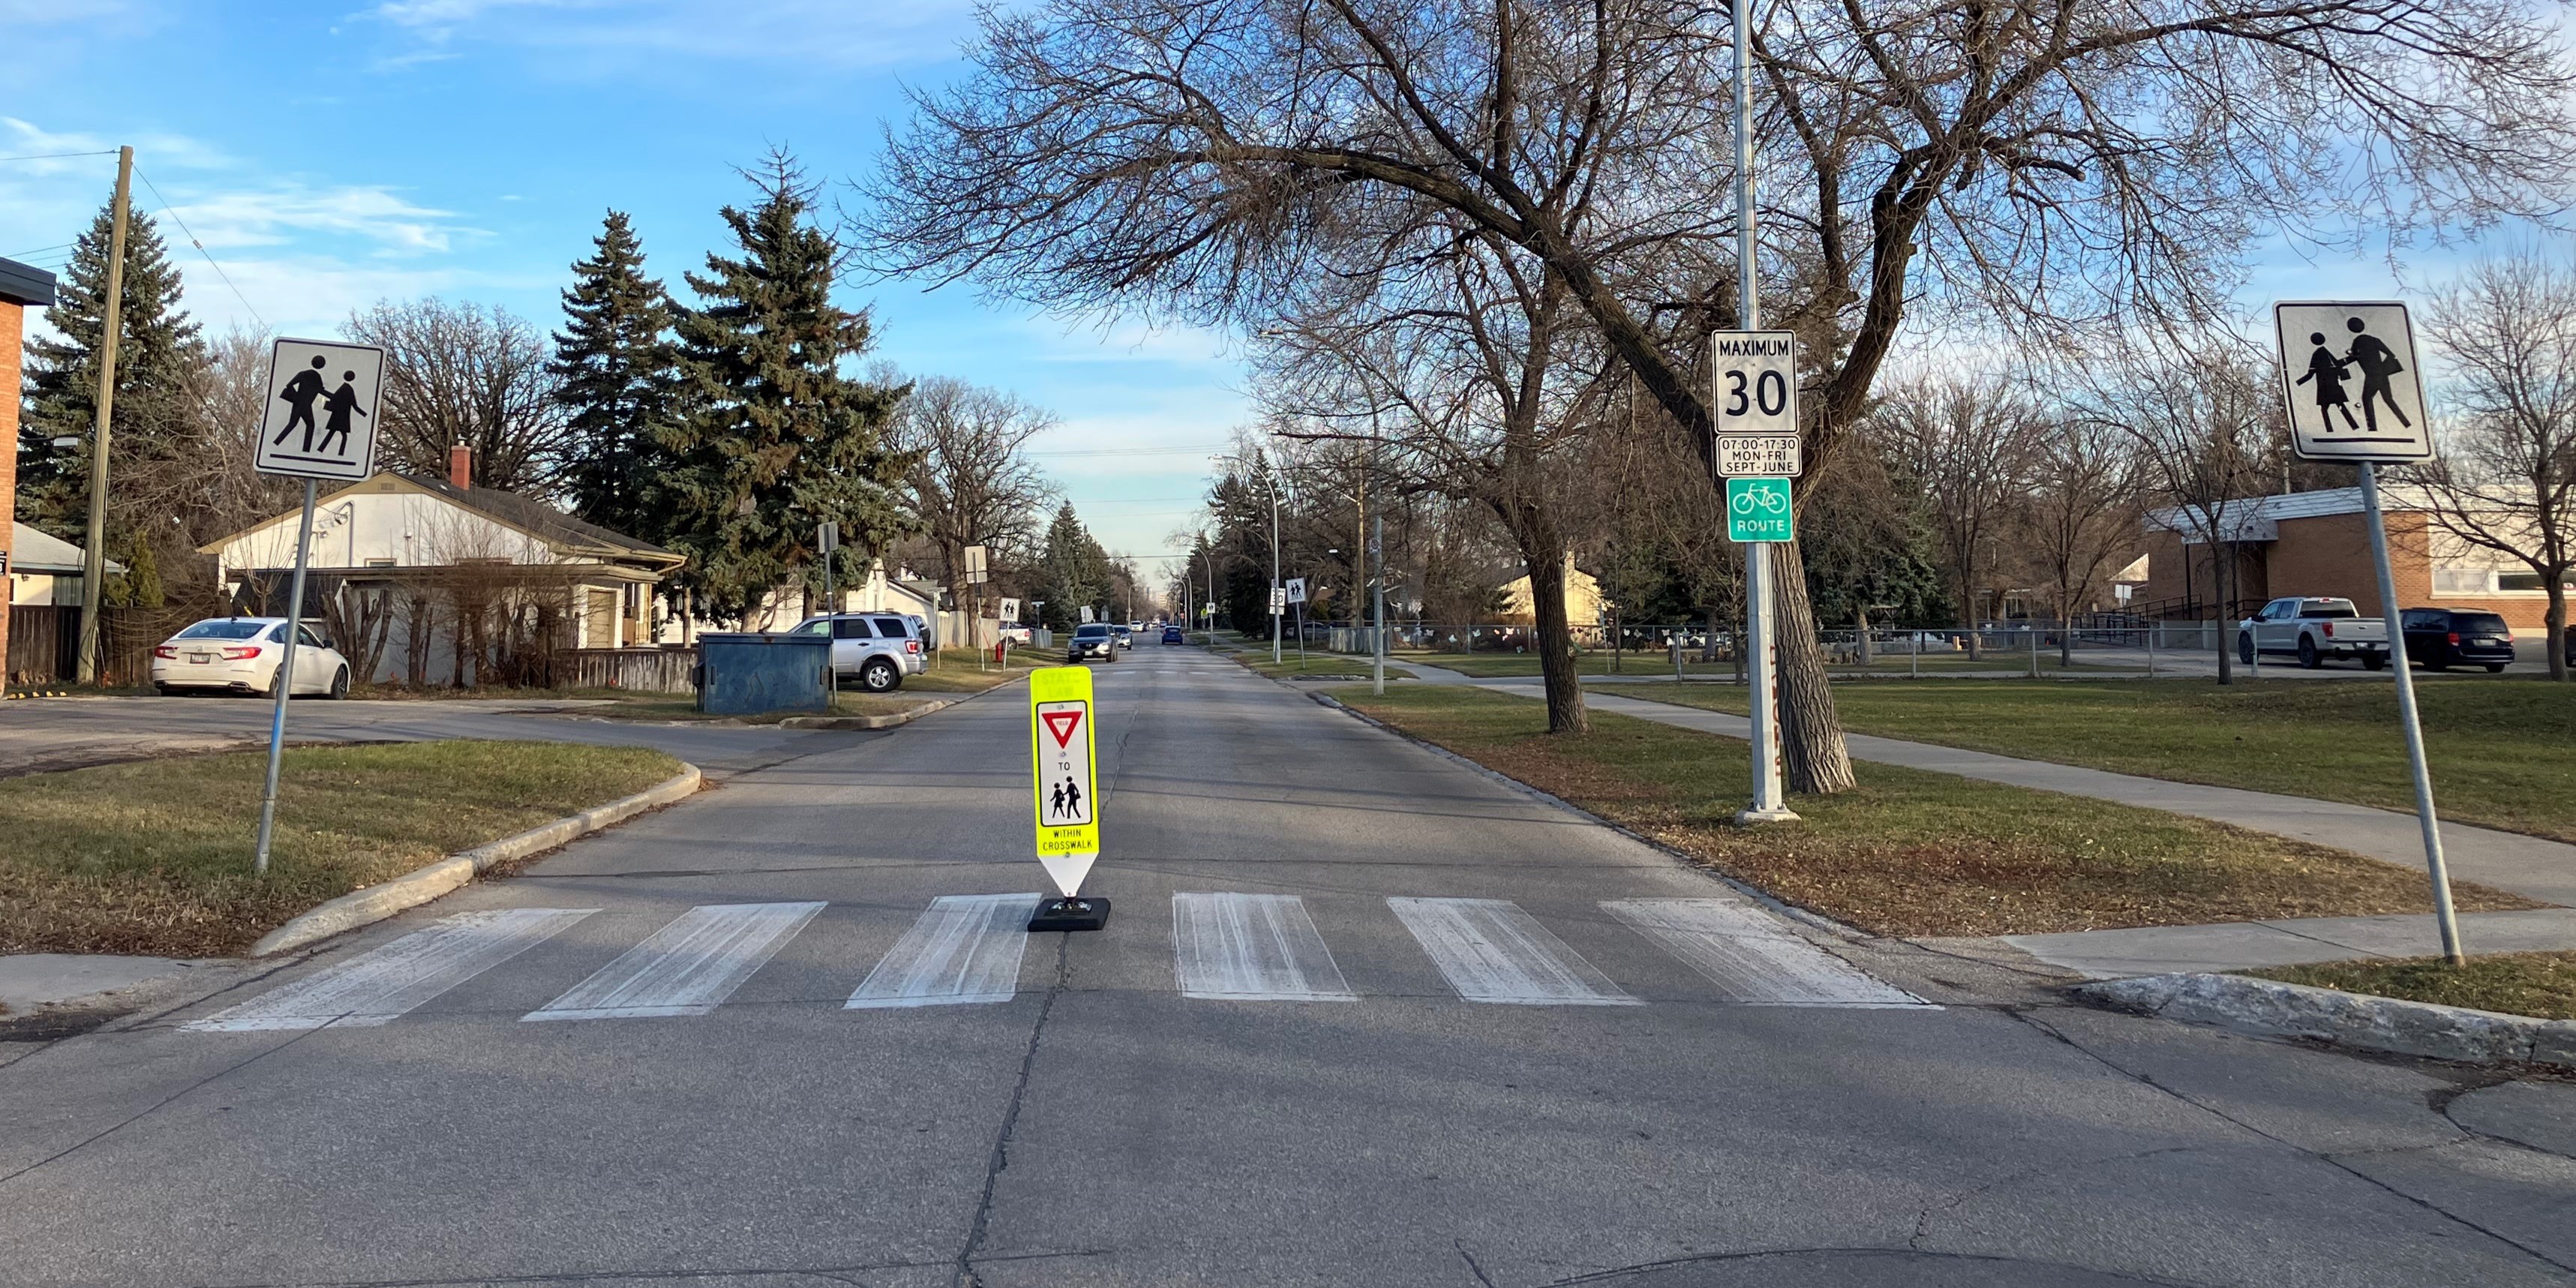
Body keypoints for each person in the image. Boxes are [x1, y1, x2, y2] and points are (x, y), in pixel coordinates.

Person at [2344, 317, 2414, 434]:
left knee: (2367, 399)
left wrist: (2341, 362)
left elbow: (2354, 358)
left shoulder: (2358, 342)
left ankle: (2373, 429)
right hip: (2382, 374)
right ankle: (2406, 424)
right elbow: (2391, 354)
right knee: (2388, 399)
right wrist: (2383, 369)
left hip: (2372, 376)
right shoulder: (2374, 340)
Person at [2293, 332, 2359, 431]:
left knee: (2326, 408)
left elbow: (2310, 374)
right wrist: (2352, 358)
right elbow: (2338, 364)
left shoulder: (2317, 354)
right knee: (2338, 406)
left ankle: (2331, 429)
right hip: (2333, 386)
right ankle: (2353, 426)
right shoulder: (2324, 353)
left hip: (2325, 387)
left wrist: (2297, 383)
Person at [274, 355, 328, 450]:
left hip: (299, 404)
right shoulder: (316, 377)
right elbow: (322, 391)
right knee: (309, 425)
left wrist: (296, 398)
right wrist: (334, 397)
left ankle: (276, 443)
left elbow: (289, 385)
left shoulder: (303, 374)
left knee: (293, 424)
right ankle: (305, 450)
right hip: (306, 406)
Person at [317, 371, 368, 456]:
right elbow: (354, 406)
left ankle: (323, 449)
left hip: (338, 415)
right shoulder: (348, 389)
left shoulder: (344, 388)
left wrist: (322, 391)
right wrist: (365, 415)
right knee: (342, 436)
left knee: (334, 433)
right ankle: (338, 453)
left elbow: (334, 398)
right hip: (343, 417)